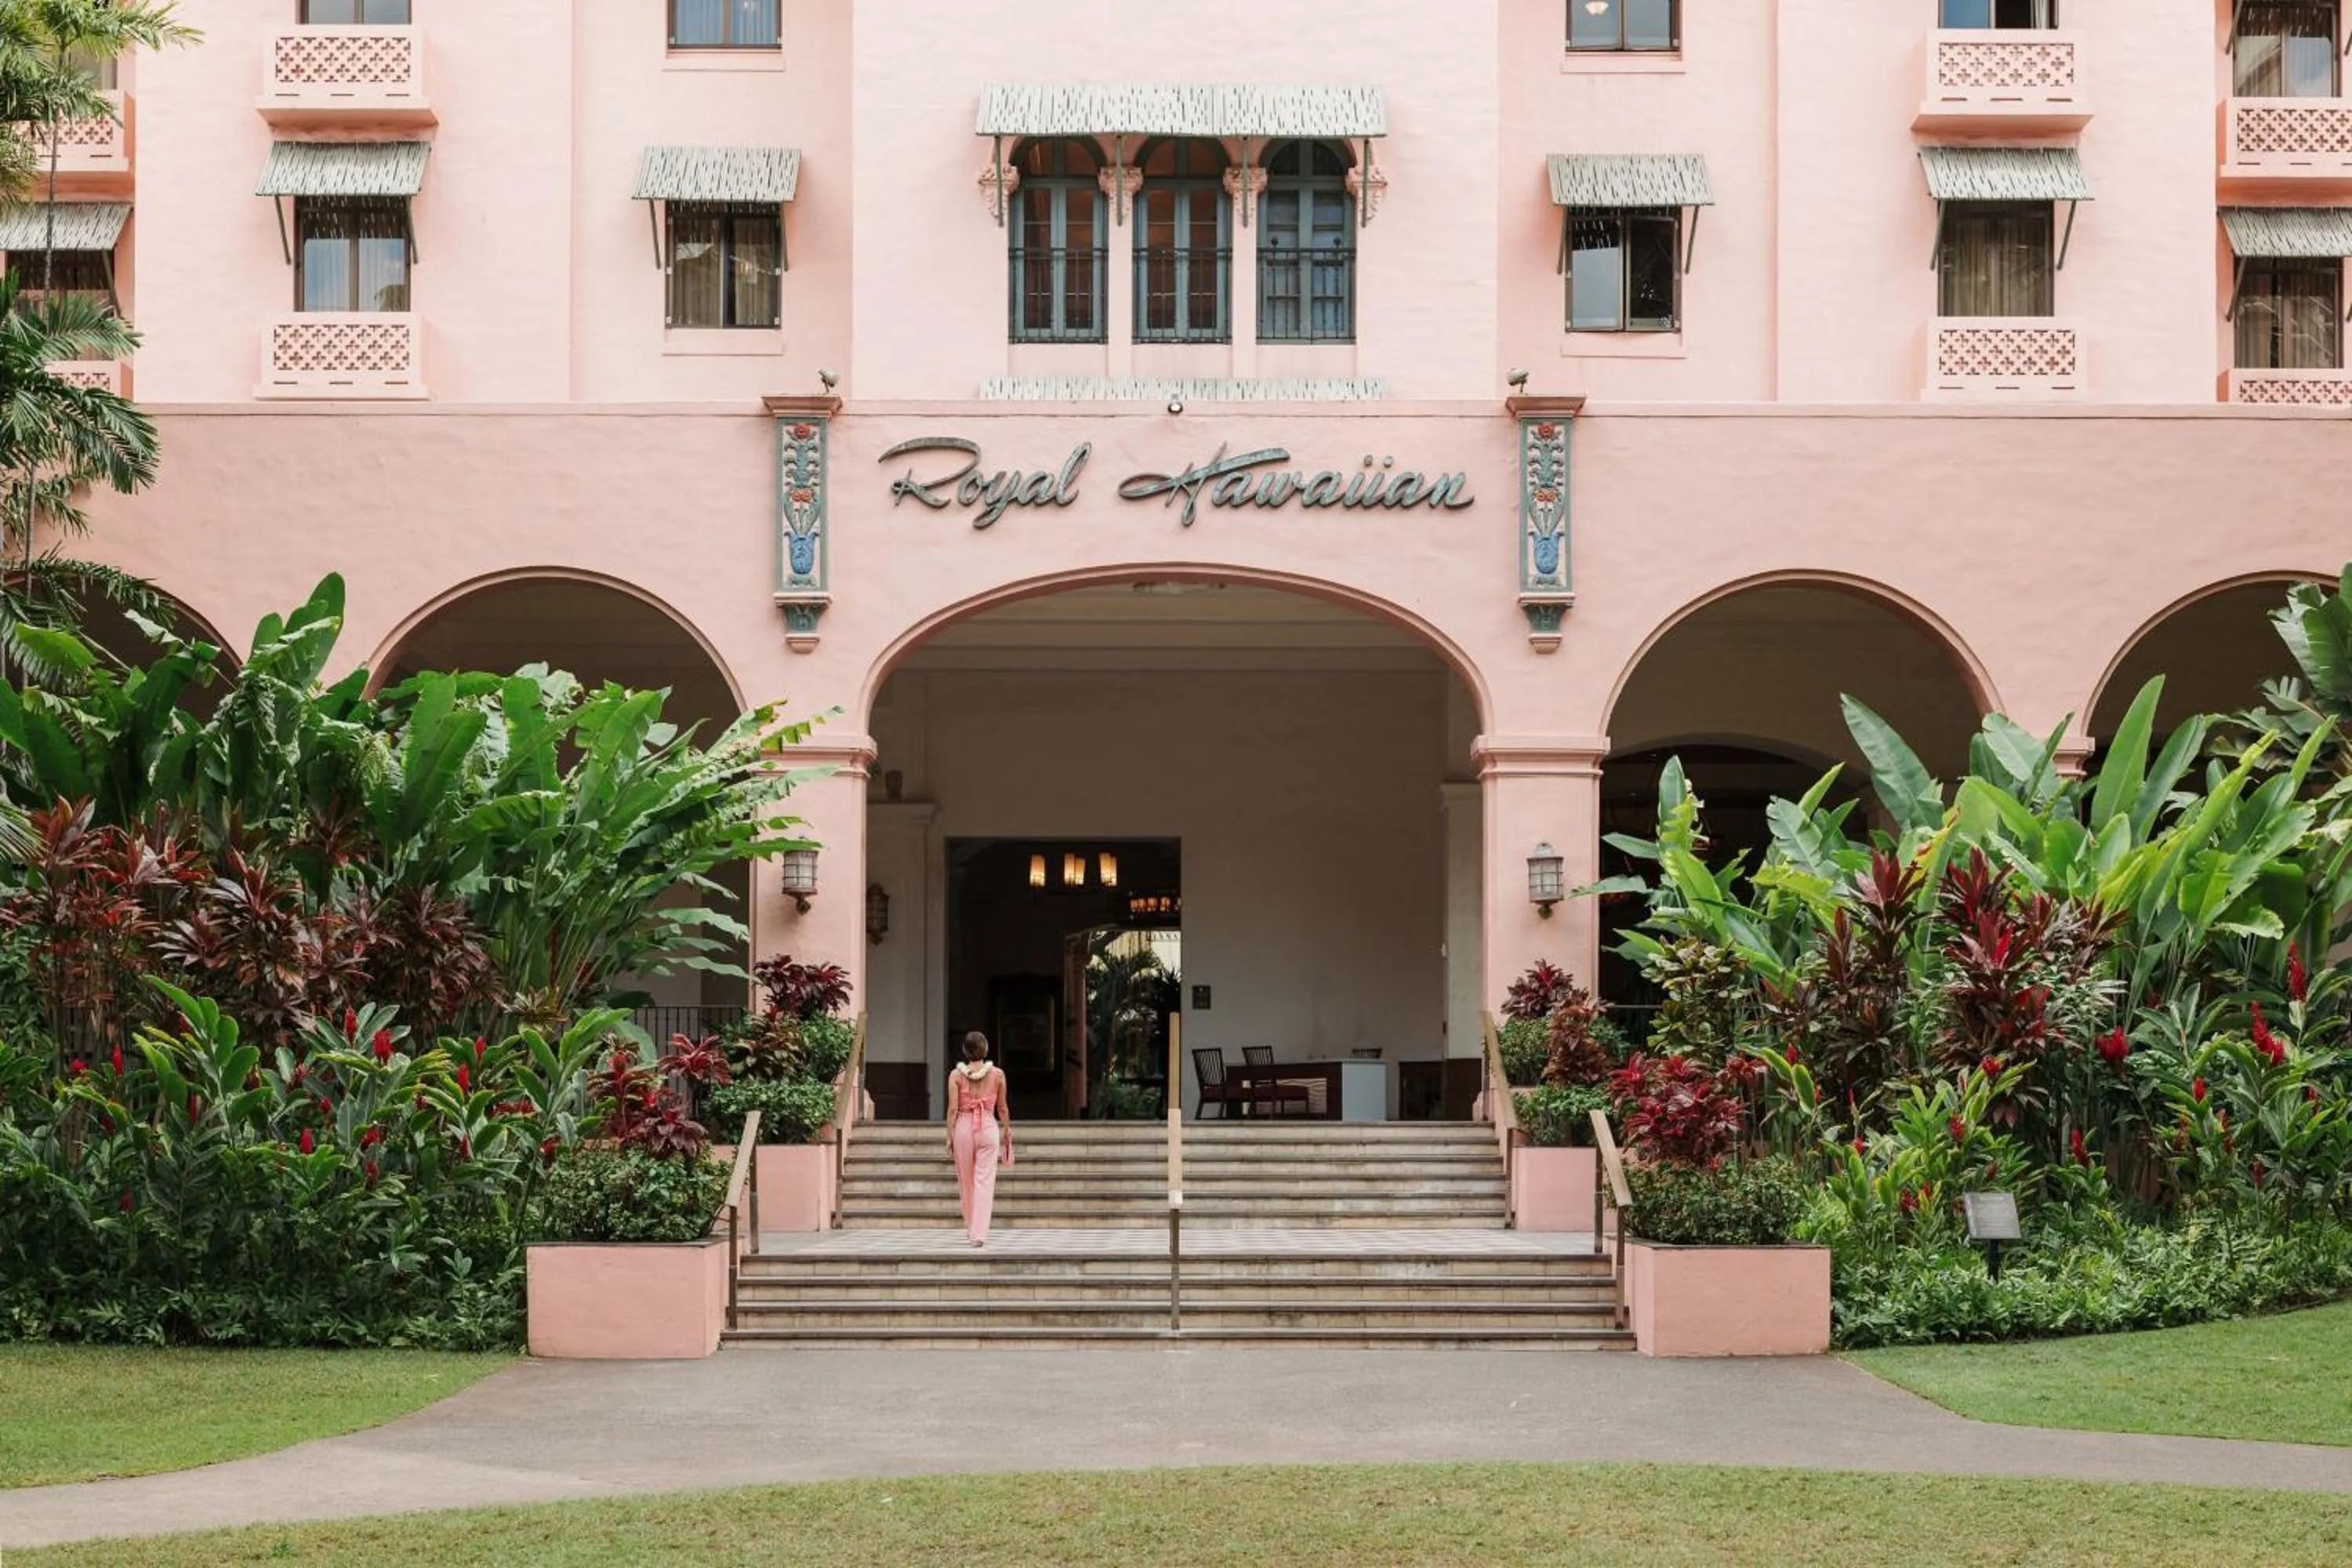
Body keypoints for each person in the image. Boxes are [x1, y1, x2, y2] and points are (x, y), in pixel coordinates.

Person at [947, 1032, 1012, 1247]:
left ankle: (970, 1226)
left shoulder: (956, 1076)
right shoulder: (999, 1075)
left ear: (965, 1051)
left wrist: (949, 1136)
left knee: (965, 1181)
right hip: (987, 1126)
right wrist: (1006, 1130)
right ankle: (979, 1233)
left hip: (964, 1128)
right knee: (985, 1182)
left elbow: (953, 1109)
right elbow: (1002, 1108)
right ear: (985, 1050)